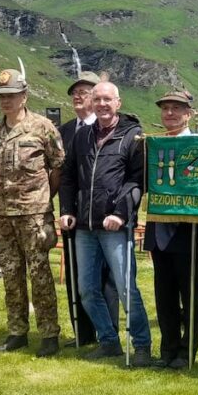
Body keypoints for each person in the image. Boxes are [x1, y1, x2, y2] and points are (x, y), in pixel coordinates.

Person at [61, 81, 151, 365]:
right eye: (96, 99)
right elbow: (68, 176)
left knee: (126, 289)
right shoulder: (82, 136)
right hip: (85, 227)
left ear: (118, 103)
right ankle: (108, 340)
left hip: (115, 226)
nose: (101, 104)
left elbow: (138, 181)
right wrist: (66, 209)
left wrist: (122, 213)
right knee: (86, 289)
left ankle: (142, 346)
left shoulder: (133, 137)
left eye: (107, 99)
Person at [0, 68, 65, 357]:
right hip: (3, 214)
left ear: (24, 95)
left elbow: (57, 167)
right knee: (11, 274)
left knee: (40, 275)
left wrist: (44, 198)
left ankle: (49, 333)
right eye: (2, 96)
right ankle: (17, 331)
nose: (6, 101)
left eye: (11, 95)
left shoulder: (43, 127)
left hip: (33, 214)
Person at [143, 89, 198, 368]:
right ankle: (168, 349)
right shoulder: (152, 145)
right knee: (164, 296)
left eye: (176, 108)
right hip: (159, 232)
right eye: (165, 108)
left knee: (190, 295)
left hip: (189, 233)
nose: (169, 113)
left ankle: (186, 351)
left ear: (189, 113)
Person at [58, 71, 103, 348]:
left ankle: (105, 333)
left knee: (104, 277)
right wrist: (64, 208)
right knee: (75, 274)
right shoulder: (63, 131)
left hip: (100, 215)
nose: (77, 96)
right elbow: (61, 174)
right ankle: (81, 333)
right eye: (75, 92)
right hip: (71, 214)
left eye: (84, 91)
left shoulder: (108, 127)